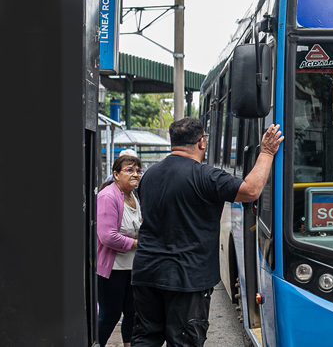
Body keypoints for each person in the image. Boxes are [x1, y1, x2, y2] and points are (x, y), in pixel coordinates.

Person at [130, 117, 283, 347]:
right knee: (184, 342)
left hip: (146, 272)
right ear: (202, 142)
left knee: (145, 339)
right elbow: (251, 190)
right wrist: (267, 152)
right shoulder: (206, 176)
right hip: (187, 279)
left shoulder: (149, 176)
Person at [96, 154, 144, 347]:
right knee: (110, 315)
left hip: (132, 268)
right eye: (129, 170)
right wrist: (137, 244)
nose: (135, 174)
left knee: (132, 313)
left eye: (138, 170)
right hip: (112, 269)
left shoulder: (133, 196)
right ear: (116, 174)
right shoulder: (108, 196)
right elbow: (107, 236)